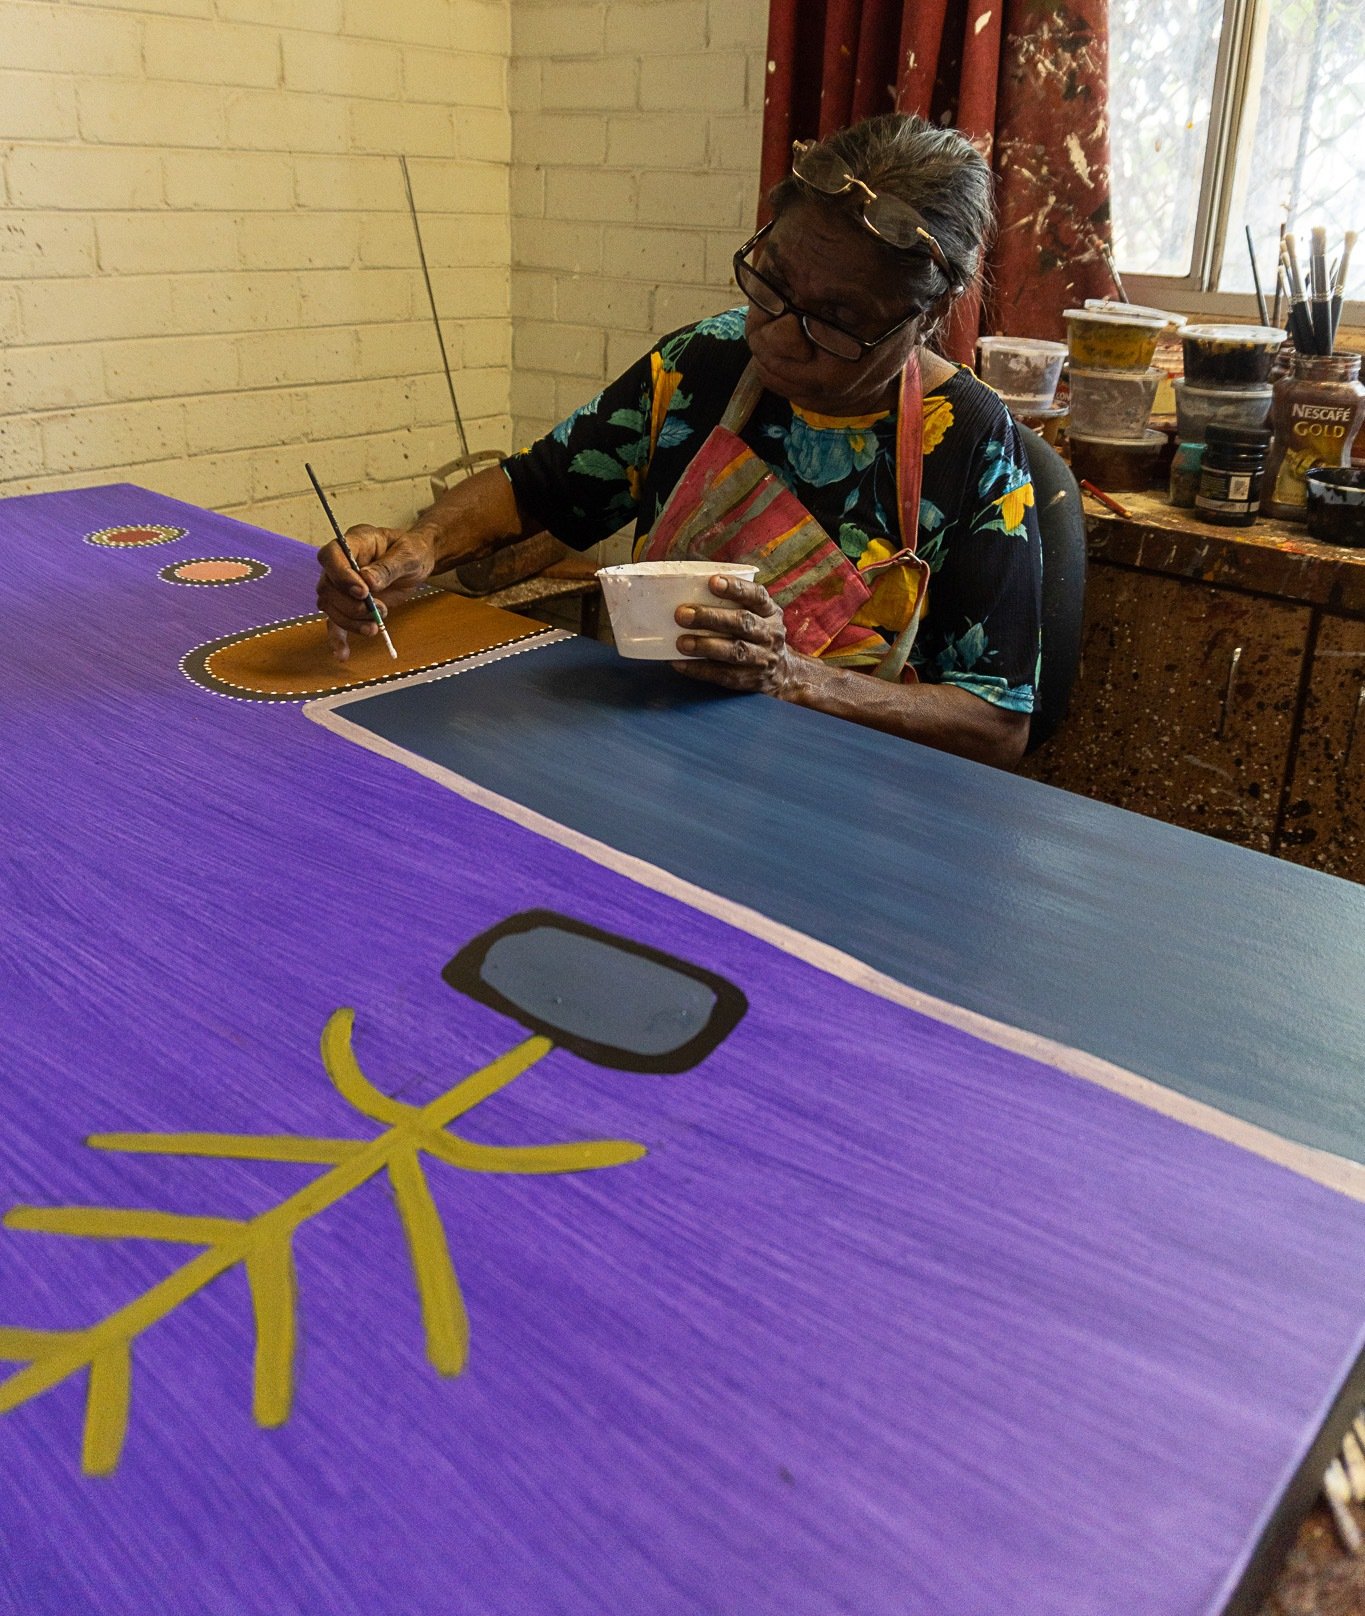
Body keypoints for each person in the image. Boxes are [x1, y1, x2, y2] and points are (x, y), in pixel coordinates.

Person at [316, 113, 1042, 769]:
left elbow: (996, 725)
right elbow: (537, 488)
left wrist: (796, 677)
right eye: (773, 283)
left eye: (838, 319)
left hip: (843, 791)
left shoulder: (971, 441)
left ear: (925, 316)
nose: (778, 334)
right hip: (653, 754)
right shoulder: (705, 363)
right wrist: (423, 545)